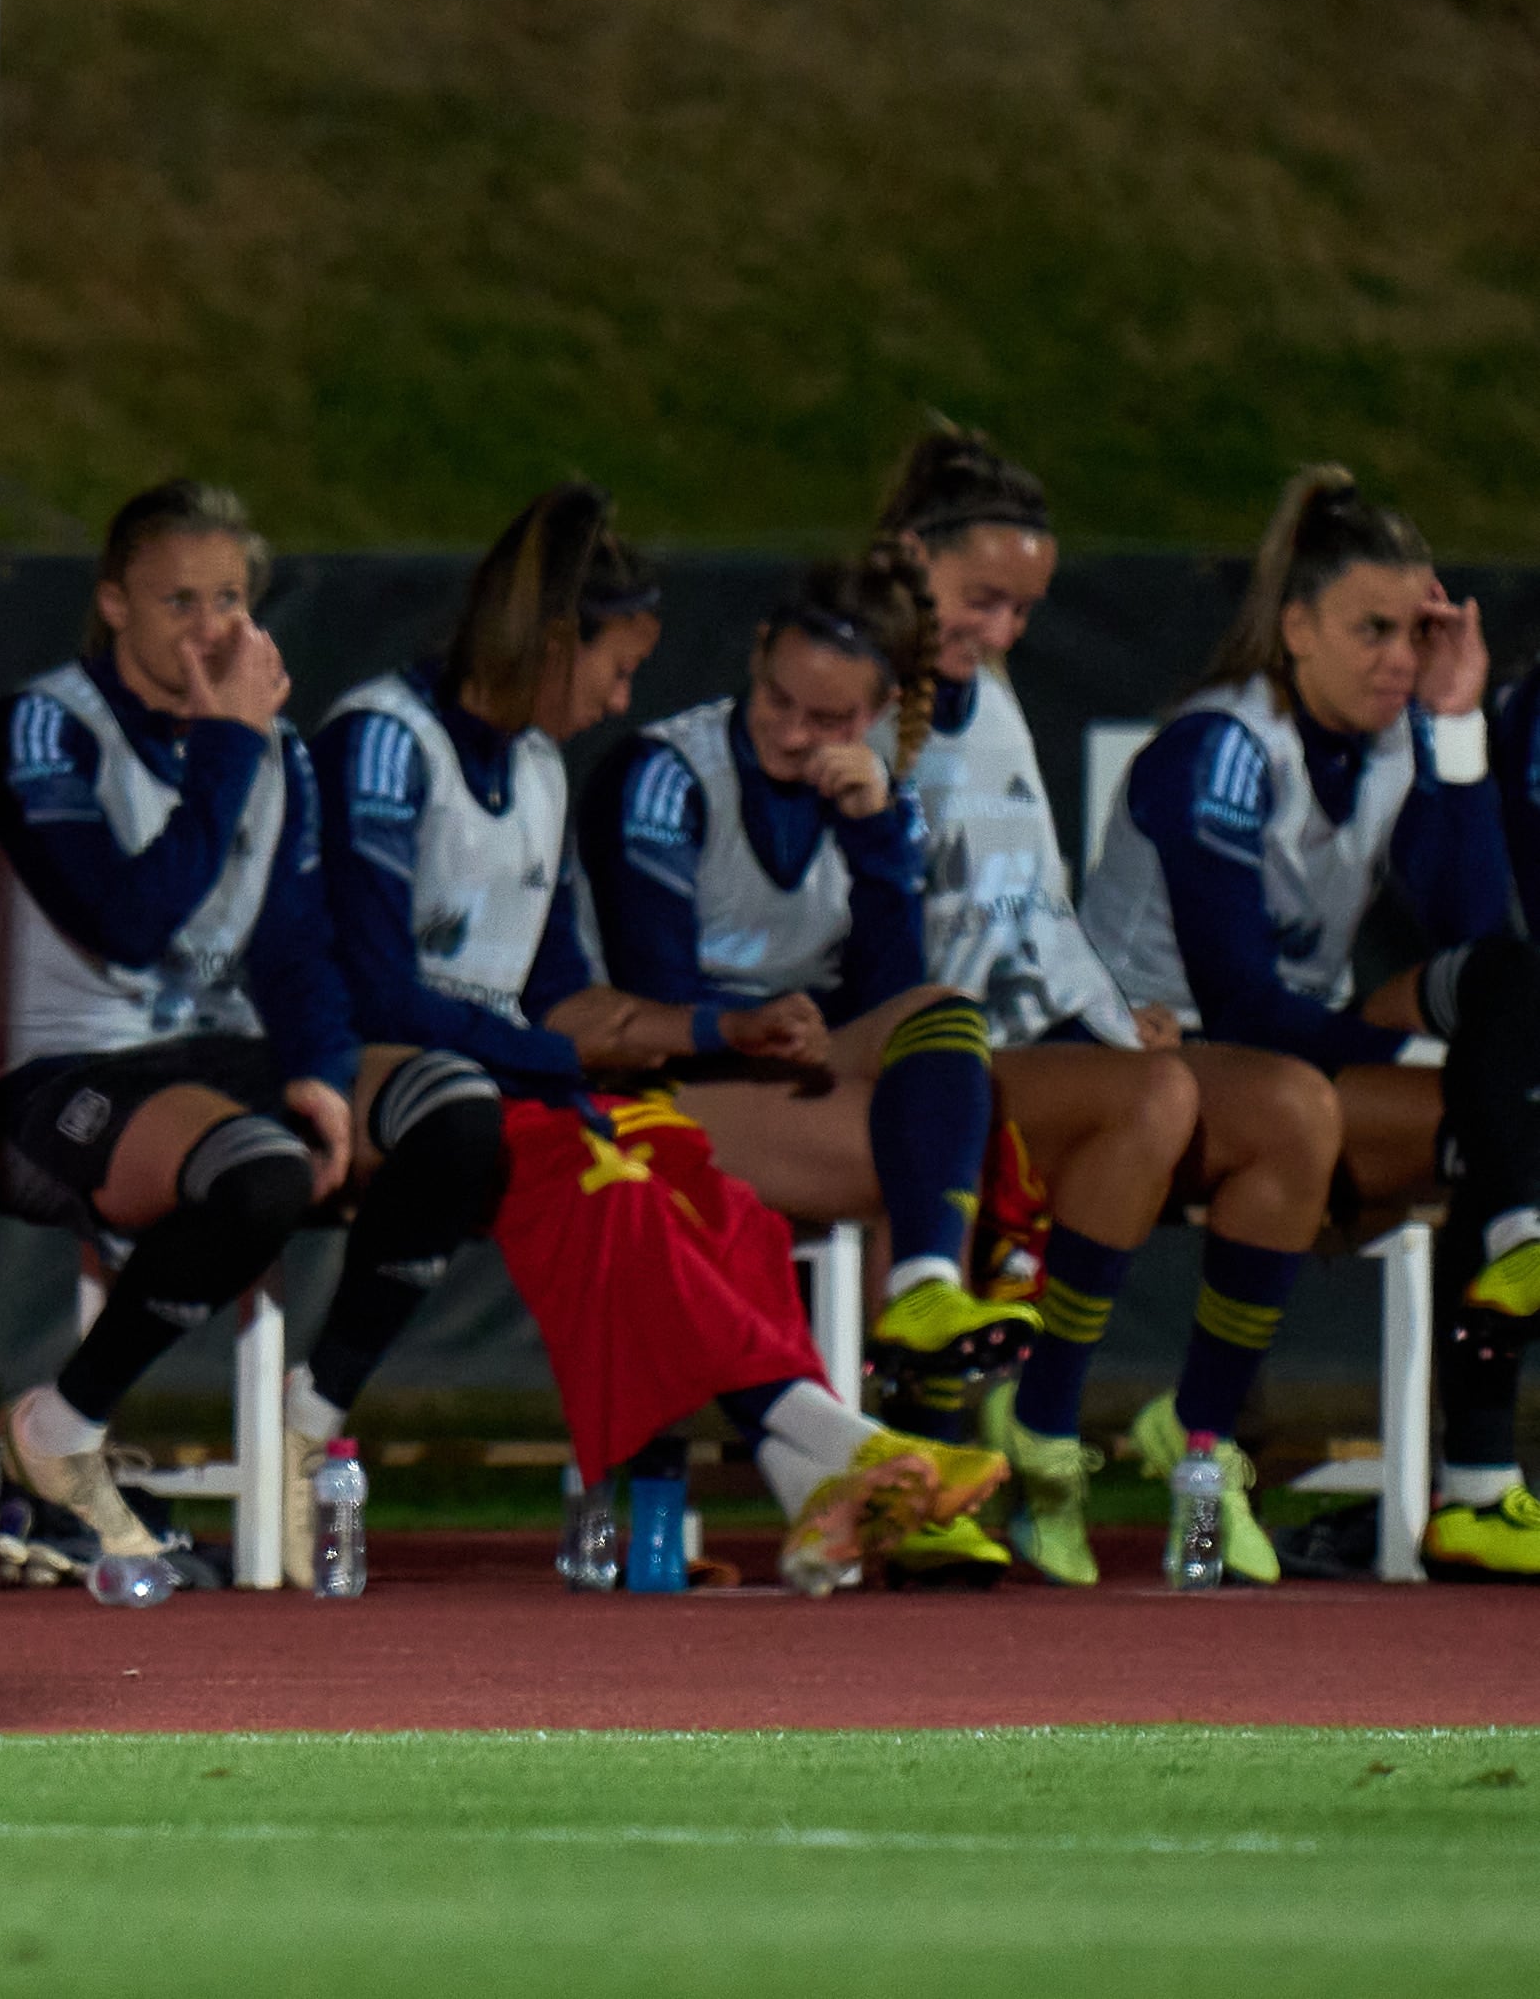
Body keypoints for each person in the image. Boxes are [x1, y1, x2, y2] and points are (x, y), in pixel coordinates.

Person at [313, 483, 1004, 1569]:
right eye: (615, 667)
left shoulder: (537, 766)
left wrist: (675, 1040)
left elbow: (560, 993)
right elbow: (377, 992)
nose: (618, 696)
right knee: (623, 1189)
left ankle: (815, 1480)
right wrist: (578, 1058)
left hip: (506, 1077)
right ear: (549, 643)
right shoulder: (383, 742)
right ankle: (842, 1444)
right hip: (394, 1080)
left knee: (724, 1205)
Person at [877, 429, 1326, 1588]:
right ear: (904, 562)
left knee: (1291, 1110)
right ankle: (1045, 1427)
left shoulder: (986, 687)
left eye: (1025, 609)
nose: (1004, 631)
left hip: (1048, 1034)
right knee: (1156, 1096)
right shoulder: (856, 701)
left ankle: (1202, 1440)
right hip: (931, 1057)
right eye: (982, 599)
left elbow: (1030, 897)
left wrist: (1112, 1009)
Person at [1084, 466, 1540, 1582]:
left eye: (1413, 630)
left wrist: (1453, 723)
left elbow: (1477, 929)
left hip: (1284, 1061)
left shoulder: (1390, 742)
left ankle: (1476, 1488)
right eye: (1371, 630)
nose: (1396, 655)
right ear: (1294, 627)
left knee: (1505, 1032)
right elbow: (1239, 1003)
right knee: (1467, 1094)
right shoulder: (1221, 749)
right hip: (1146, 1063)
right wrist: (1409, 1051)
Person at [574, 551, 1028, 1572]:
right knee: (928, 1152)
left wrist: (875, 839)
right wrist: (768, 1024)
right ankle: (906, 1465)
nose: (789, 730)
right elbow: (652, 984)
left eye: (825, 719)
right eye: (775, 698)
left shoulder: (875, 799)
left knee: (945, 1023)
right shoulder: (664, 774)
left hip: (795, 1059)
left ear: (875, 714)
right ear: (753, 658)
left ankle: (918, 1301)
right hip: (659, 1069)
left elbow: (892, 991)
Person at [0, 482, 361, 1574]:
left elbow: (296, 948)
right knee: (257, 1176)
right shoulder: (47, 725)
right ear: (112, 605)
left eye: (231, 599)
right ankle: (60, 1427)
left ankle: (312, 1436)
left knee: (450, 1128)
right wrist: (226, 749)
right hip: (53, 1076)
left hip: (202, 1057)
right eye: (177, 600)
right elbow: (129, 923)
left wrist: (327, 1072)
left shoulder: (275, 750)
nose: (210, 627)